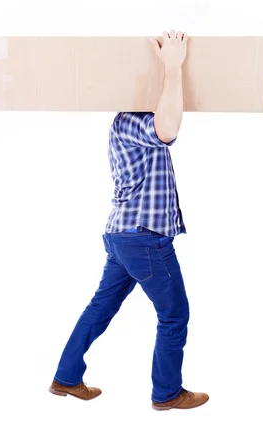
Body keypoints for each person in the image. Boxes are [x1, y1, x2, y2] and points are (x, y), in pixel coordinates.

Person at [48, 30, 209, 411]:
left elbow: (166, 121)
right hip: (143, 238)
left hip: (124, 237)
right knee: (175, 315)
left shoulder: (127, 121)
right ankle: (167, 393)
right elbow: (168, 128)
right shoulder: (132, 122)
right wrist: (172, 67)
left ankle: (65, 377)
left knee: (99, 308)